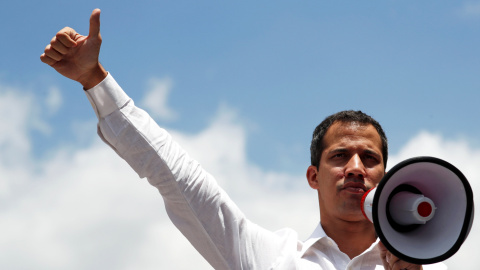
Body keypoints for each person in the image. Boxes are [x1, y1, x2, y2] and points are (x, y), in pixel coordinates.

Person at [40, 9, 447, 270]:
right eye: (340, 156)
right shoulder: (271, 258)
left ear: (388, 176)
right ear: (313, 175)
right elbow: (179, 177)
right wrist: (94, 80)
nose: (356, 169)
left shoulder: (430, 264)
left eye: (369, 159)